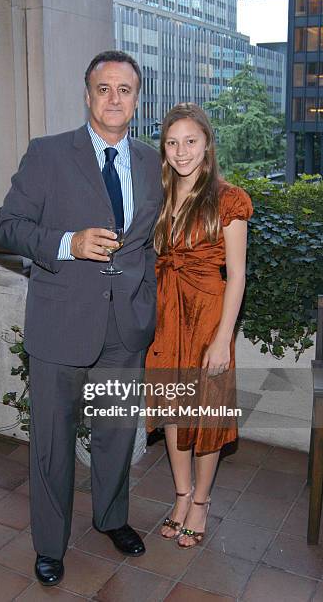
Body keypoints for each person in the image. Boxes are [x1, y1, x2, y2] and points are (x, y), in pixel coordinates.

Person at [0, 50, 162, 586]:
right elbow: (7, 229)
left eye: (125, 89)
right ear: (87, 95)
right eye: (104, 88)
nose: (115, 98)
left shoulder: (151, 160)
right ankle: (49, 544)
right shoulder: (47, 155)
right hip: (61, 324)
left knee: (116, 433)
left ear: (137, 99)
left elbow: (155, 236)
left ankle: (112, 517)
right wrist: (68, 243)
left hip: (125, 327)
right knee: (52, 440)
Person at [145, 103, 253, 549]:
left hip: (210, 318)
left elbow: (238, 275)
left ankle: (202, 502)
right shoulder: (160, 195)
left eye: (191, 141)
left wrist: (223, 338)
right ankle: (181, 495)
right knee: (174, 411)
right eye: (172, 142)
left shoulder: (228, 198)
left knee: (207, 415)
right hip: (168, 315)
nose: (181, 150)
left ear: (207, 144)